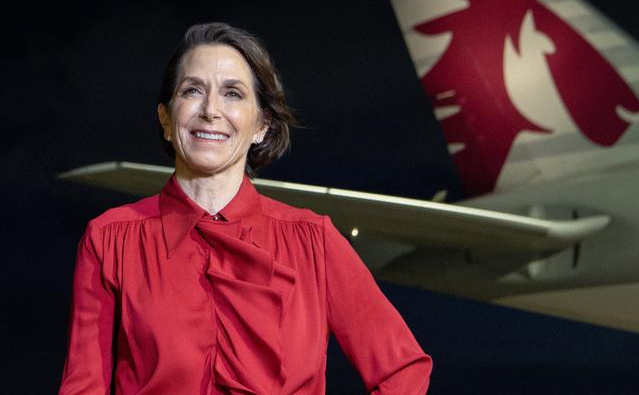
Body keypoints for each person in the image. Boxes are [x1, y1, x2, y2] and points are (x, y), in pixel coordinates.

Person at [59, 22, 432, 394]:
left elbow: (402, 369)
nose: (210, 110)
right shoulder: (109, 240)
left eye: (233, 94)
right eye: (192, 90)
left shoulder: (314, 240)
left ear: (262, 126)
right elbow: (82, 387)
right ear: (166, 119)